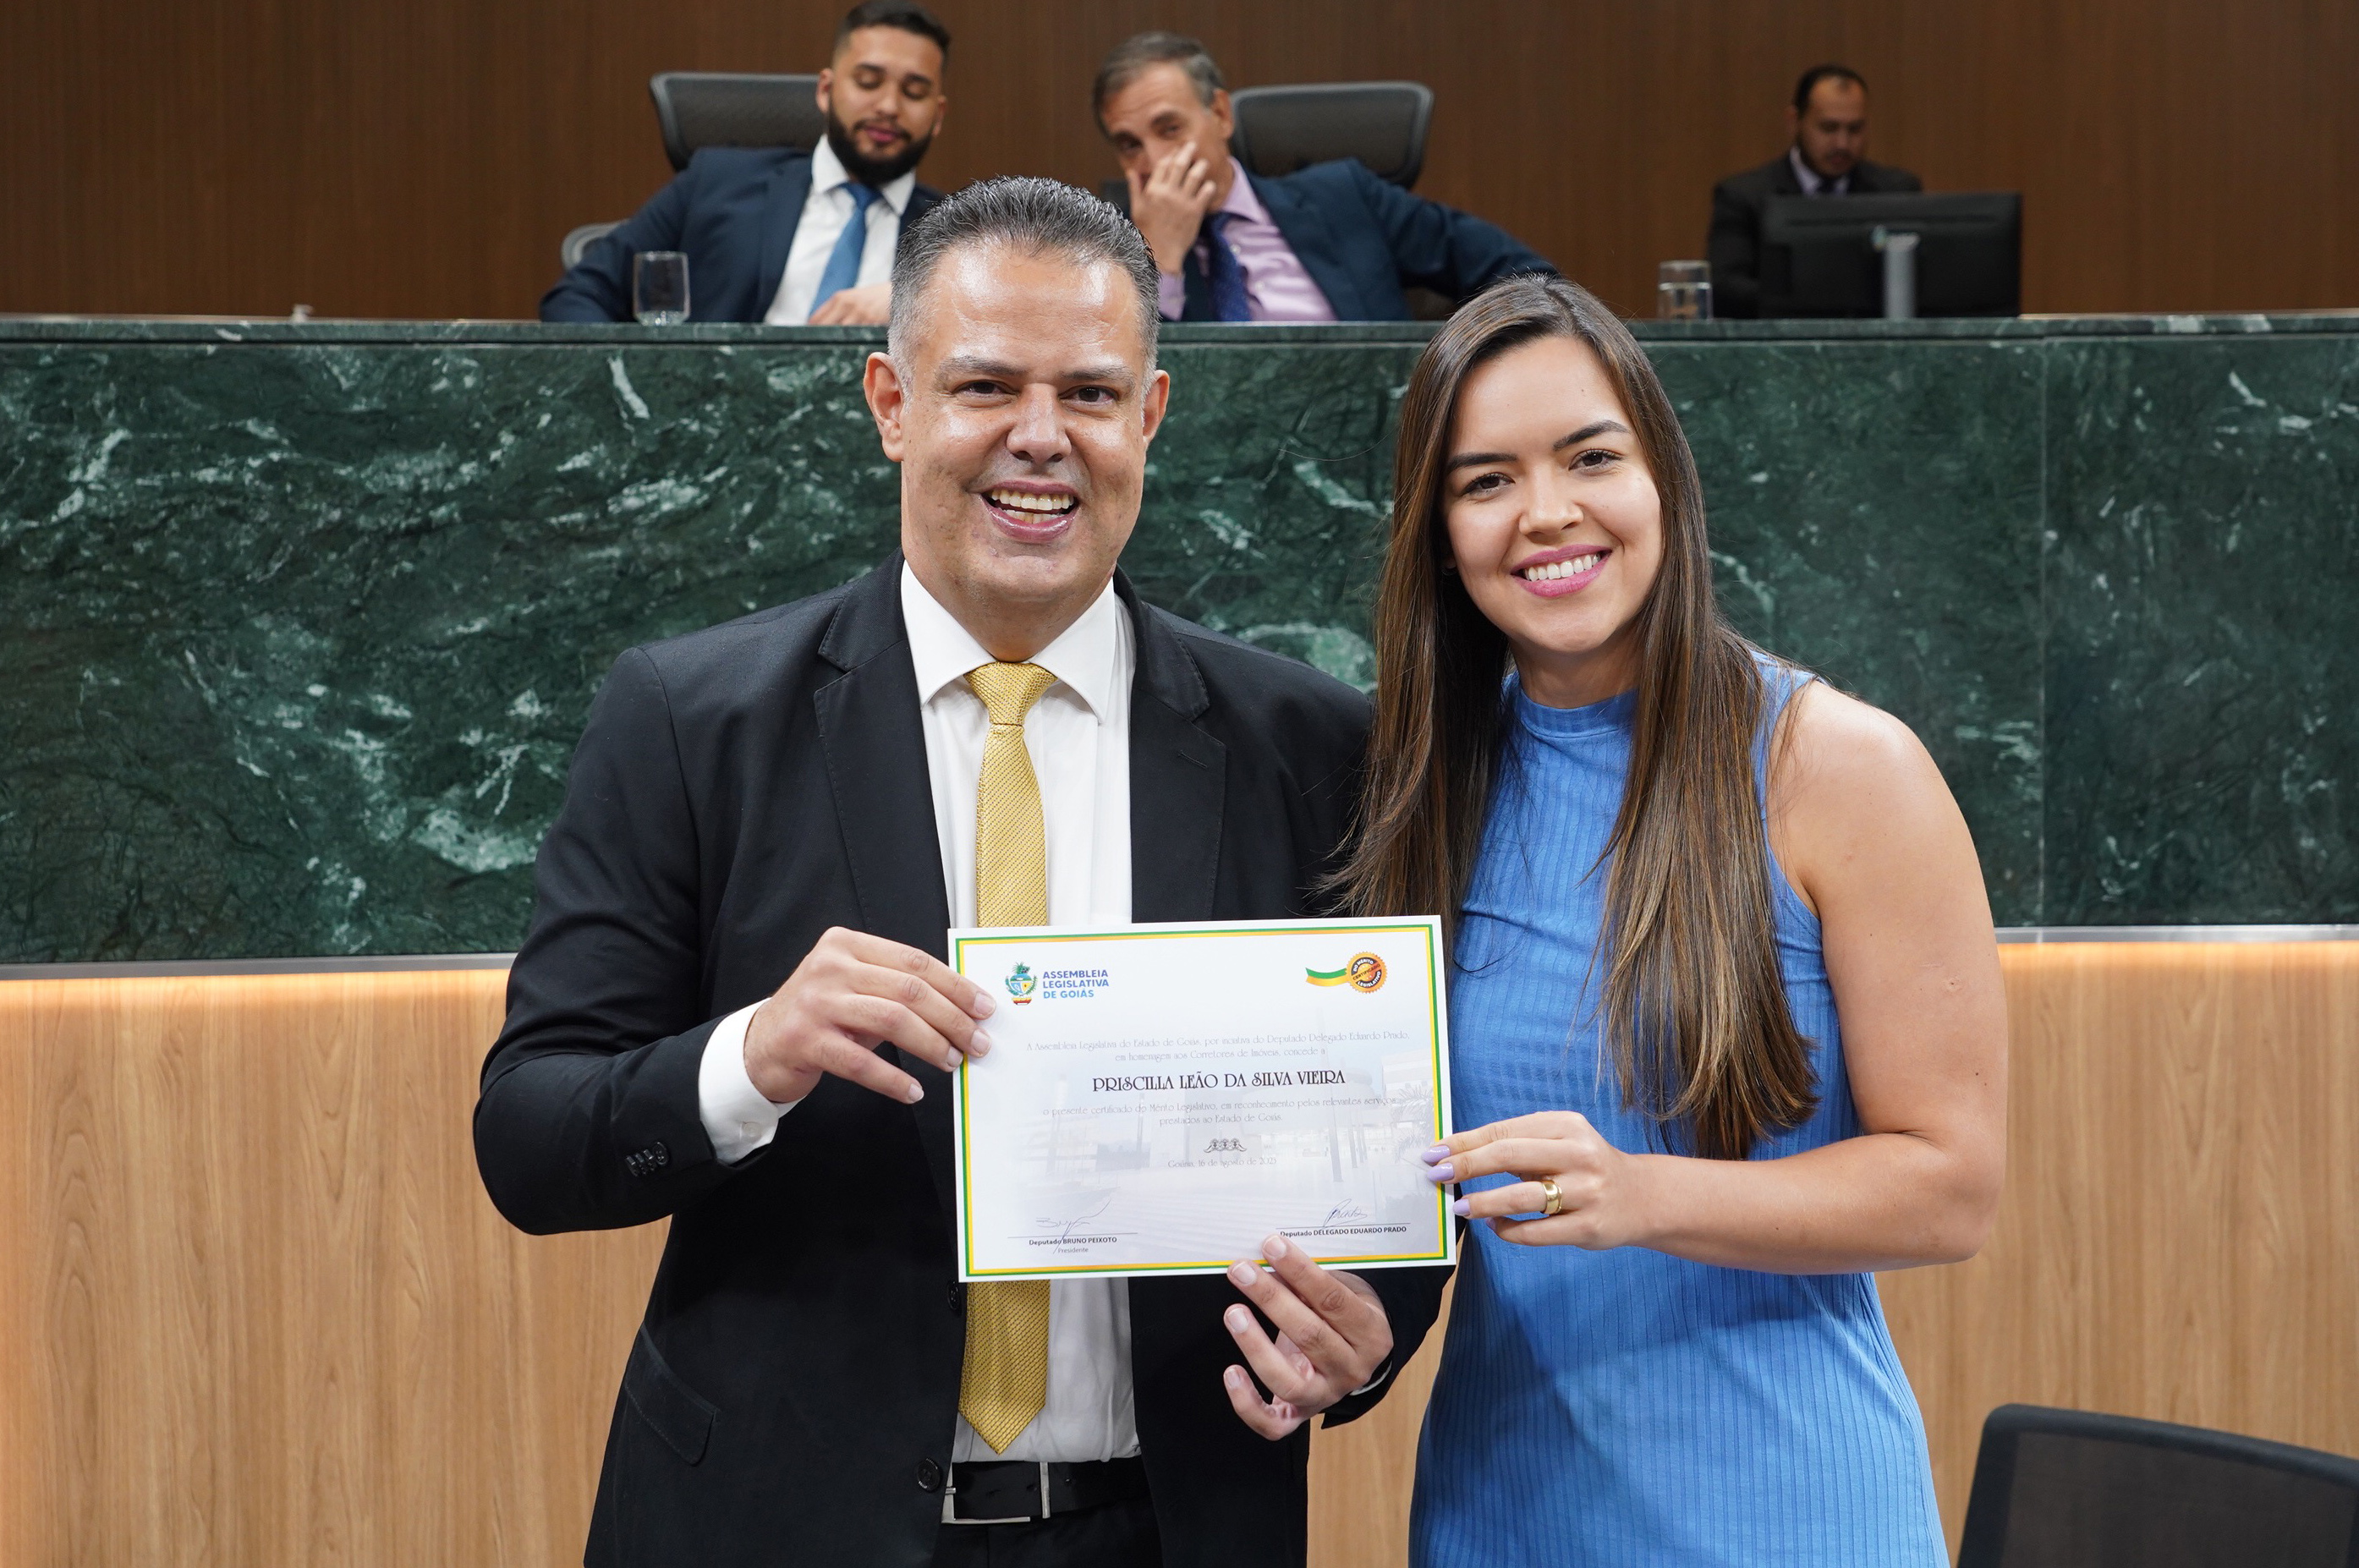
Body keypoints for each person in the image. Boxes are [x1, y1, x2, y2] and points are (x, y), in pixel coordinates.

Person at [479, 176, 1447, 1566]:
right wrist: (751, 1055)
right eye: (984, 385)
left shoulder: (1310, 743)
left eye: (1090, 394)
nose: (1039, 436)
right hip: (775, 1527)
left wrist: (1364, 1334)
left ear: (1149, 415)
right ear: (890, 401)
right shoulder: (691, 720)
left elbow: (1389, 1152)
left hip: (1166, 1530)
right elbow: (530, 1138)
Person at [1334, 273, 2005, 1564]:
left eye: (1591, 457)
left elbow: (1950, 1188)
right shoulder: (1424, 788)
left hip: (1786, 1515)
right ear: (1438, 532)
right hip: (1500, 1511)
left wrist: (1643, 1193)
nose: (1547, 512)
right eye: (1486, 481)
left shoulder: (1839, 766)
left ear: (1664, 481)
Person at [540, 2, 952, 326]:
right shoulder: (714, 183)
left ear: (937, 117)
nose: (888, 106)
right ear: (826, 91)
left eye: (914, 92)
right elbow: (579, 296)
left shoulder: (955, 232)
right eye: (868, 82)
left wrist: (913, 299)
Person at [1093, 33, 1551, 323]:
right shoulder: (1113, 250)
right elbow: (1131, 395)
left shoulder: (1343, 196)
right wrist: (1160, 264)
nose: (1154, 161)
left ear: (1221, 115)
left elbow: (1523, 275)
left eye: (1169, 129)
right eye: (1130, 145)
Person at [1707, 64, 1923, 318]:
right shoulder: (1745, 197)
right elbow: (1725, 287)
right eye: (1828, 128)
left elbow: (1920, 282)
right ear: (1794, 121)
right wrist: (1804, 301)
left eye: (1855, 129)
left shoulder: (1895, 192)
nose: (1842, 144)